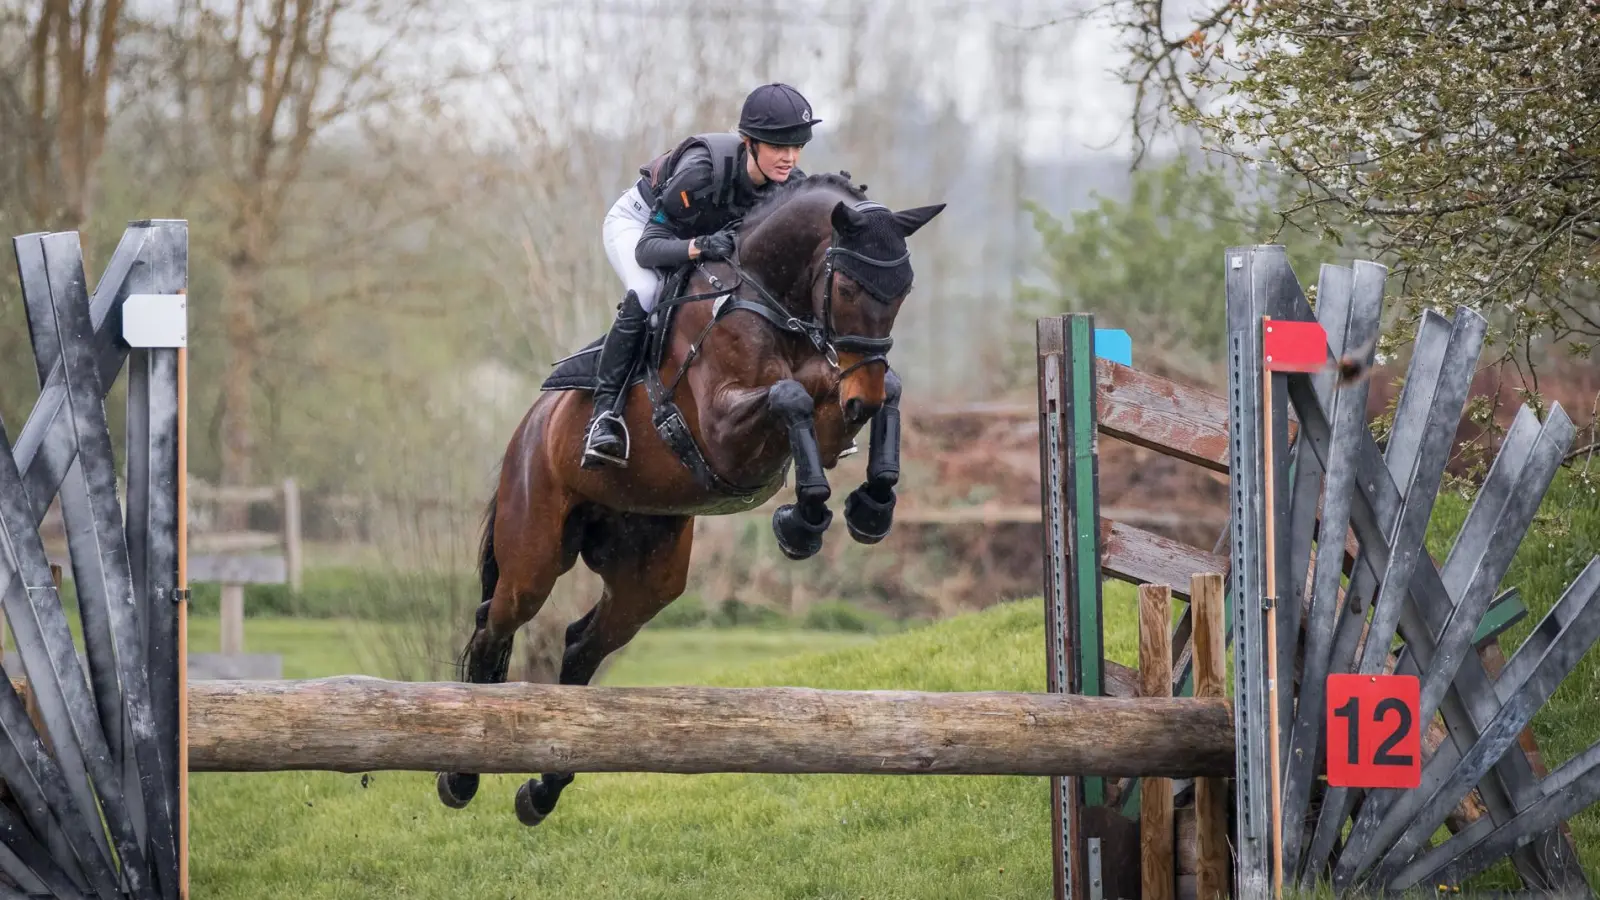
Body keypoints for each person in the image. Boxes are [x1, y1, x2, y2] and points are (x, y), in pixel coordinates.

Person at [582, 83, 822, 469]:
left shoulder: (790, 185)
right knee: (647, 289)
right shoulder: (702, 173)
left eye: (797, 147)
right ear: (749, 142)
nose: (790, 158)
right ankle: (604, 416)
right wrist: (698, 246)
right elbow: (648, 248)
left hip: (701, 234)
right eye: (779, 147)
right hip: (642, 224)